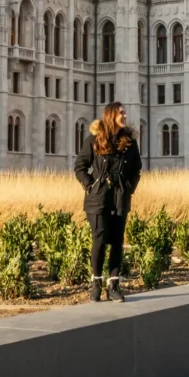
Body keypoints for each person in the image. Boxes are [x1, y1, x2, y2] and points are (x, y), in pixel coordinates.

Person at [74, 101, 142, 302]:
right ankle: (96, 282)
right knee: (100, 239)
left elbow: (136, 169)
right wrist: (90, 186)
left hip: (120, 197)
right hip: (98, 198)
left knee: (117, 242)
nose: (125, 116)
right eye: (121, 113)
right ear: (111, 115)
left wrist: (128, 189)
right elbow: (80, 167)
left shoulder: (129, 142)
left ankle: (113, 285)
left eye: (125, 112)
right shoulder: (94, 139)